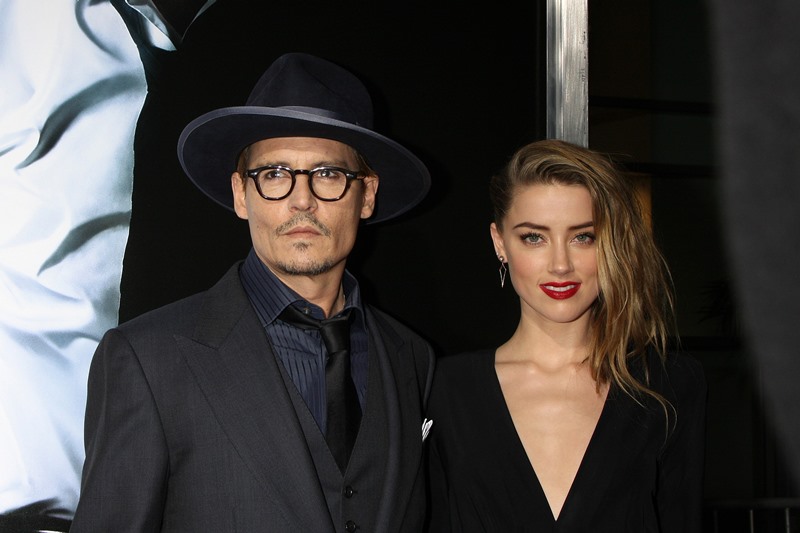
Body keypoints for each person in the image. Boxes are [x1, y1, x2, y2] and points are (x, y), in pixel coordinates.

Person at [70, 52, 435, 532]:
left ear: (366, 195)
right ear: (242, 195)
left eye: (328, 174)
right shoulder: (147, 359)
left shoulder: (412, 358)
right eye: (275, 174)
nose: (302, 200)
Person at [425, 139, 707, 532]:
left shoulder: (668, 383)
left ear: (610, 244)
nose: (561, 264)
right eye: (534, 237)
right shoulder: (442, 389)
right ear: (499, 243)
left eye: (583, 237)